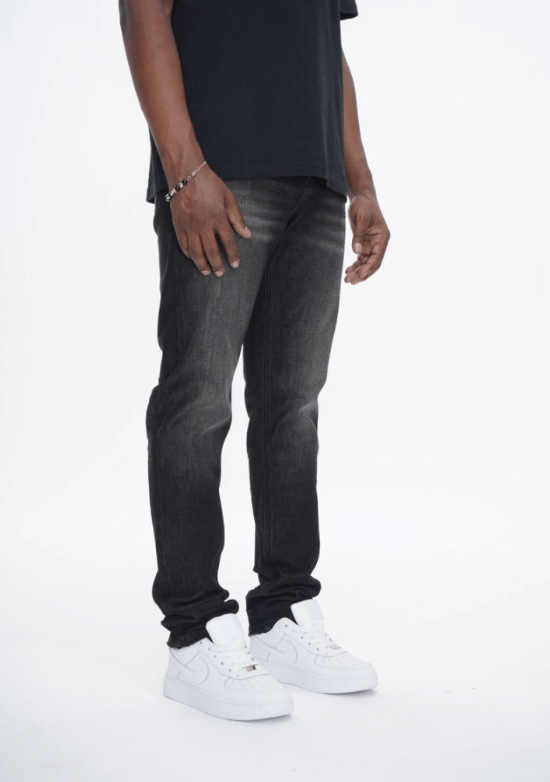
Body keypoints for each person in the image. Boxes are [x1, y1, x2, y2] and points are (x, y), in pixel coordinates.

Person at [119, 0, 391, 721]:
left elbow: (328, 52)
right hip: (220, 174)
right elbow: (143, 12)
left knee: (292, 408)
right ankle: (194, 631)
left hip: (318, 183)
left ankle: (282, 612)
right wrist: (184, 173)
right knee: (197, 399)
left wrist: (360, 183)